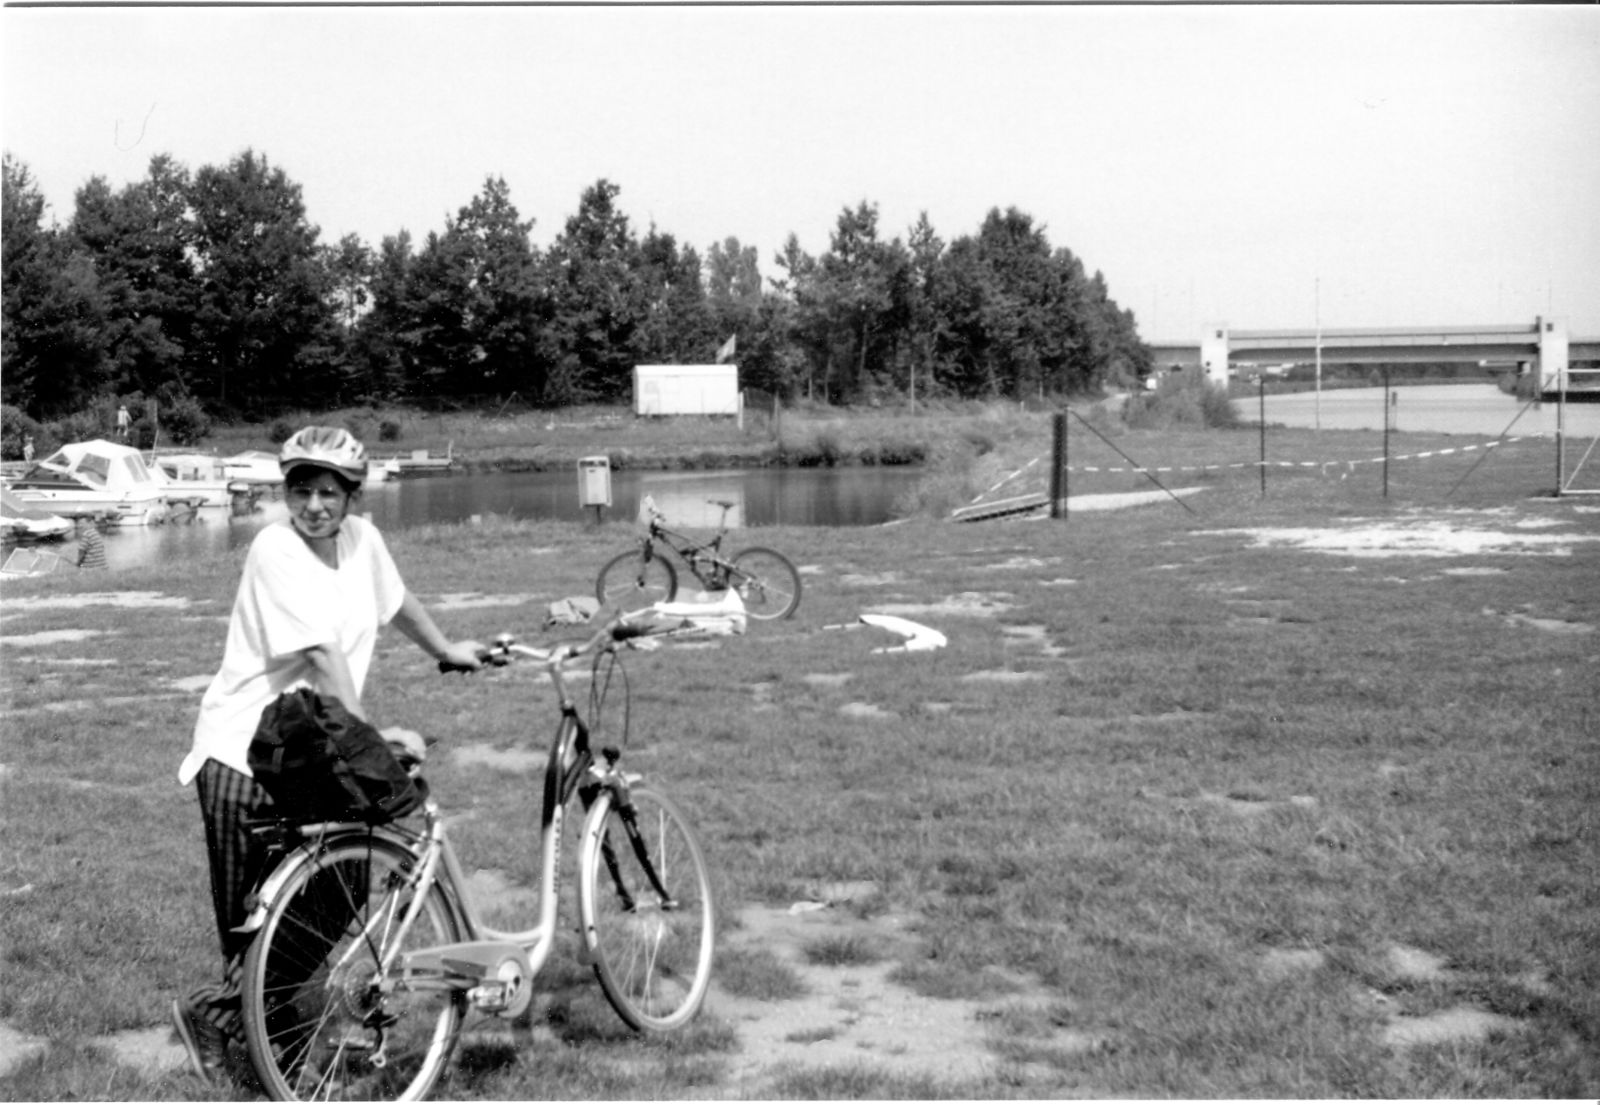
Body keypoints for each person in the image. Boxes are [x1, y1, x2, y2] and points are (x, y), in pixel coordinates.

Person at [170, 425, 484, 1084]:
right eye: (301, 491)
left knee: (339, 890)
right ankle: (246, 1035)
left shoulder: (363, 540)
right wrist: (369, 744)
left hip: (306, 749)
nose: (314, 505)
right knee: (254, 916)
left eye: (328, 493)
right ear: (286, 493)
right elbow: (320, 653)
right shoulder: (275, 548)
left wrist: (444, 648)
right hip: (244, 753)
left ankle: (239, 1022)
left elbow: (396, 602)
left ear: (352, 497)